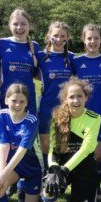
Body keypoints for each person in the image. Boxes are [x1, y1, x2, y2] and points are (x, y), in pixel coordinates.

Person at [36, 77, 101, 202]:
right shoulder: (58, 117)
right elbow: (52, 150)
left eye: (80, 96)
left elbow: (87, 148)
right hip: (61, 167)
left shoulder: (95, 118)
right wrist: (54, 169)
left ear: (86, 97)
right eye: (71, 96)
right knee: (49, 189)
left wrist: (63, 170)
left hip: (84, 169)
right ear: (65, 99)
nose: (76, 100)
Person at [0, 83, 42, 202]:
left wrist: (2, 174)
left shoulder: (32, 120)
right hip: (15, 167)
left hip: (33, 168)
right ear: (6, 100)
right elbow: (4, 143)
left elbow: (21, 150)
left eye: (22, 101)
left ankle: (26, 187)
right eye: (14, 100)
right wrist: (1, 174)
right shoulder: (2, 114)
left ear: (27, 103)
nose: (17, 105)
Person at [71, 23, 101, 201]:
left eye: (96, 38)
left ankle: (96, 189)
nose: (93, 41)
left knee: (97, 154)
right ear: (83, 39)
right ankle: (82, 186)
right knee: (81, 152)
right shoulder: (76, 61)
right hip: (80, 115)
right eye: (89, 38)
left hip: (99, 115)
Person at [36, 21, 75, 172]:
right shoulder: (40, 56)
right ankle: (47, 176)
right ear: (48, 36)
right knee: (45, 145)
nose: (59, 39)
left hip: (66, 108)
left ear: (67, 38)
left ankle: (60, 176)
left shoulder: (72, 58)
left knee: (63, 145)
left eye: (63, 36)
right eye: (55, 36)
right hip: (46, 105)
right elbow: (34, 74)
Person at [0, 8, 40, 114]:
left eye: (23, 24)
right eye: (15, 24)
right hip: (8, 97)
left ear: (29, 25)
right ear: (9, 25)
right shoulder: (1, 43)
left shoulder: (35, 46)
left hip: (28, 98)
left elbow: (36, 73)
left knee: (29, 129)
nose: (19, 27)